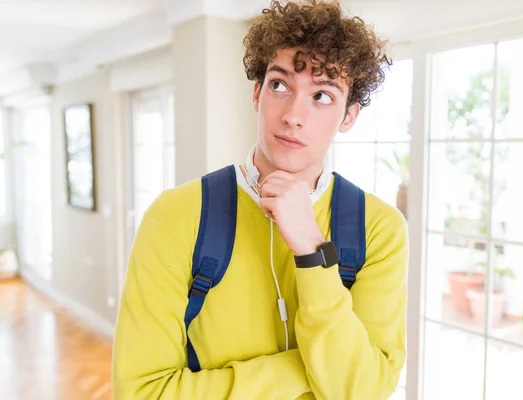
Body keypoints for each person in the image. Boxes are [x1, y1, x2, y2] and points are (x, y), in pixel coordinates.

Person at [112, 0, 408, 399]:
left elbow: (366, 393)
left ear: (349, 117)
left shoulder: (380, 229)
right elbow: (142, 392)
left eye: (322, 96)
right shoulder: (176, 215)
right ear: (257, 93)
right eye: (280, 85)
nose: (293, 115)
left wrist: (311, 250)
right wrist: (306, 370)